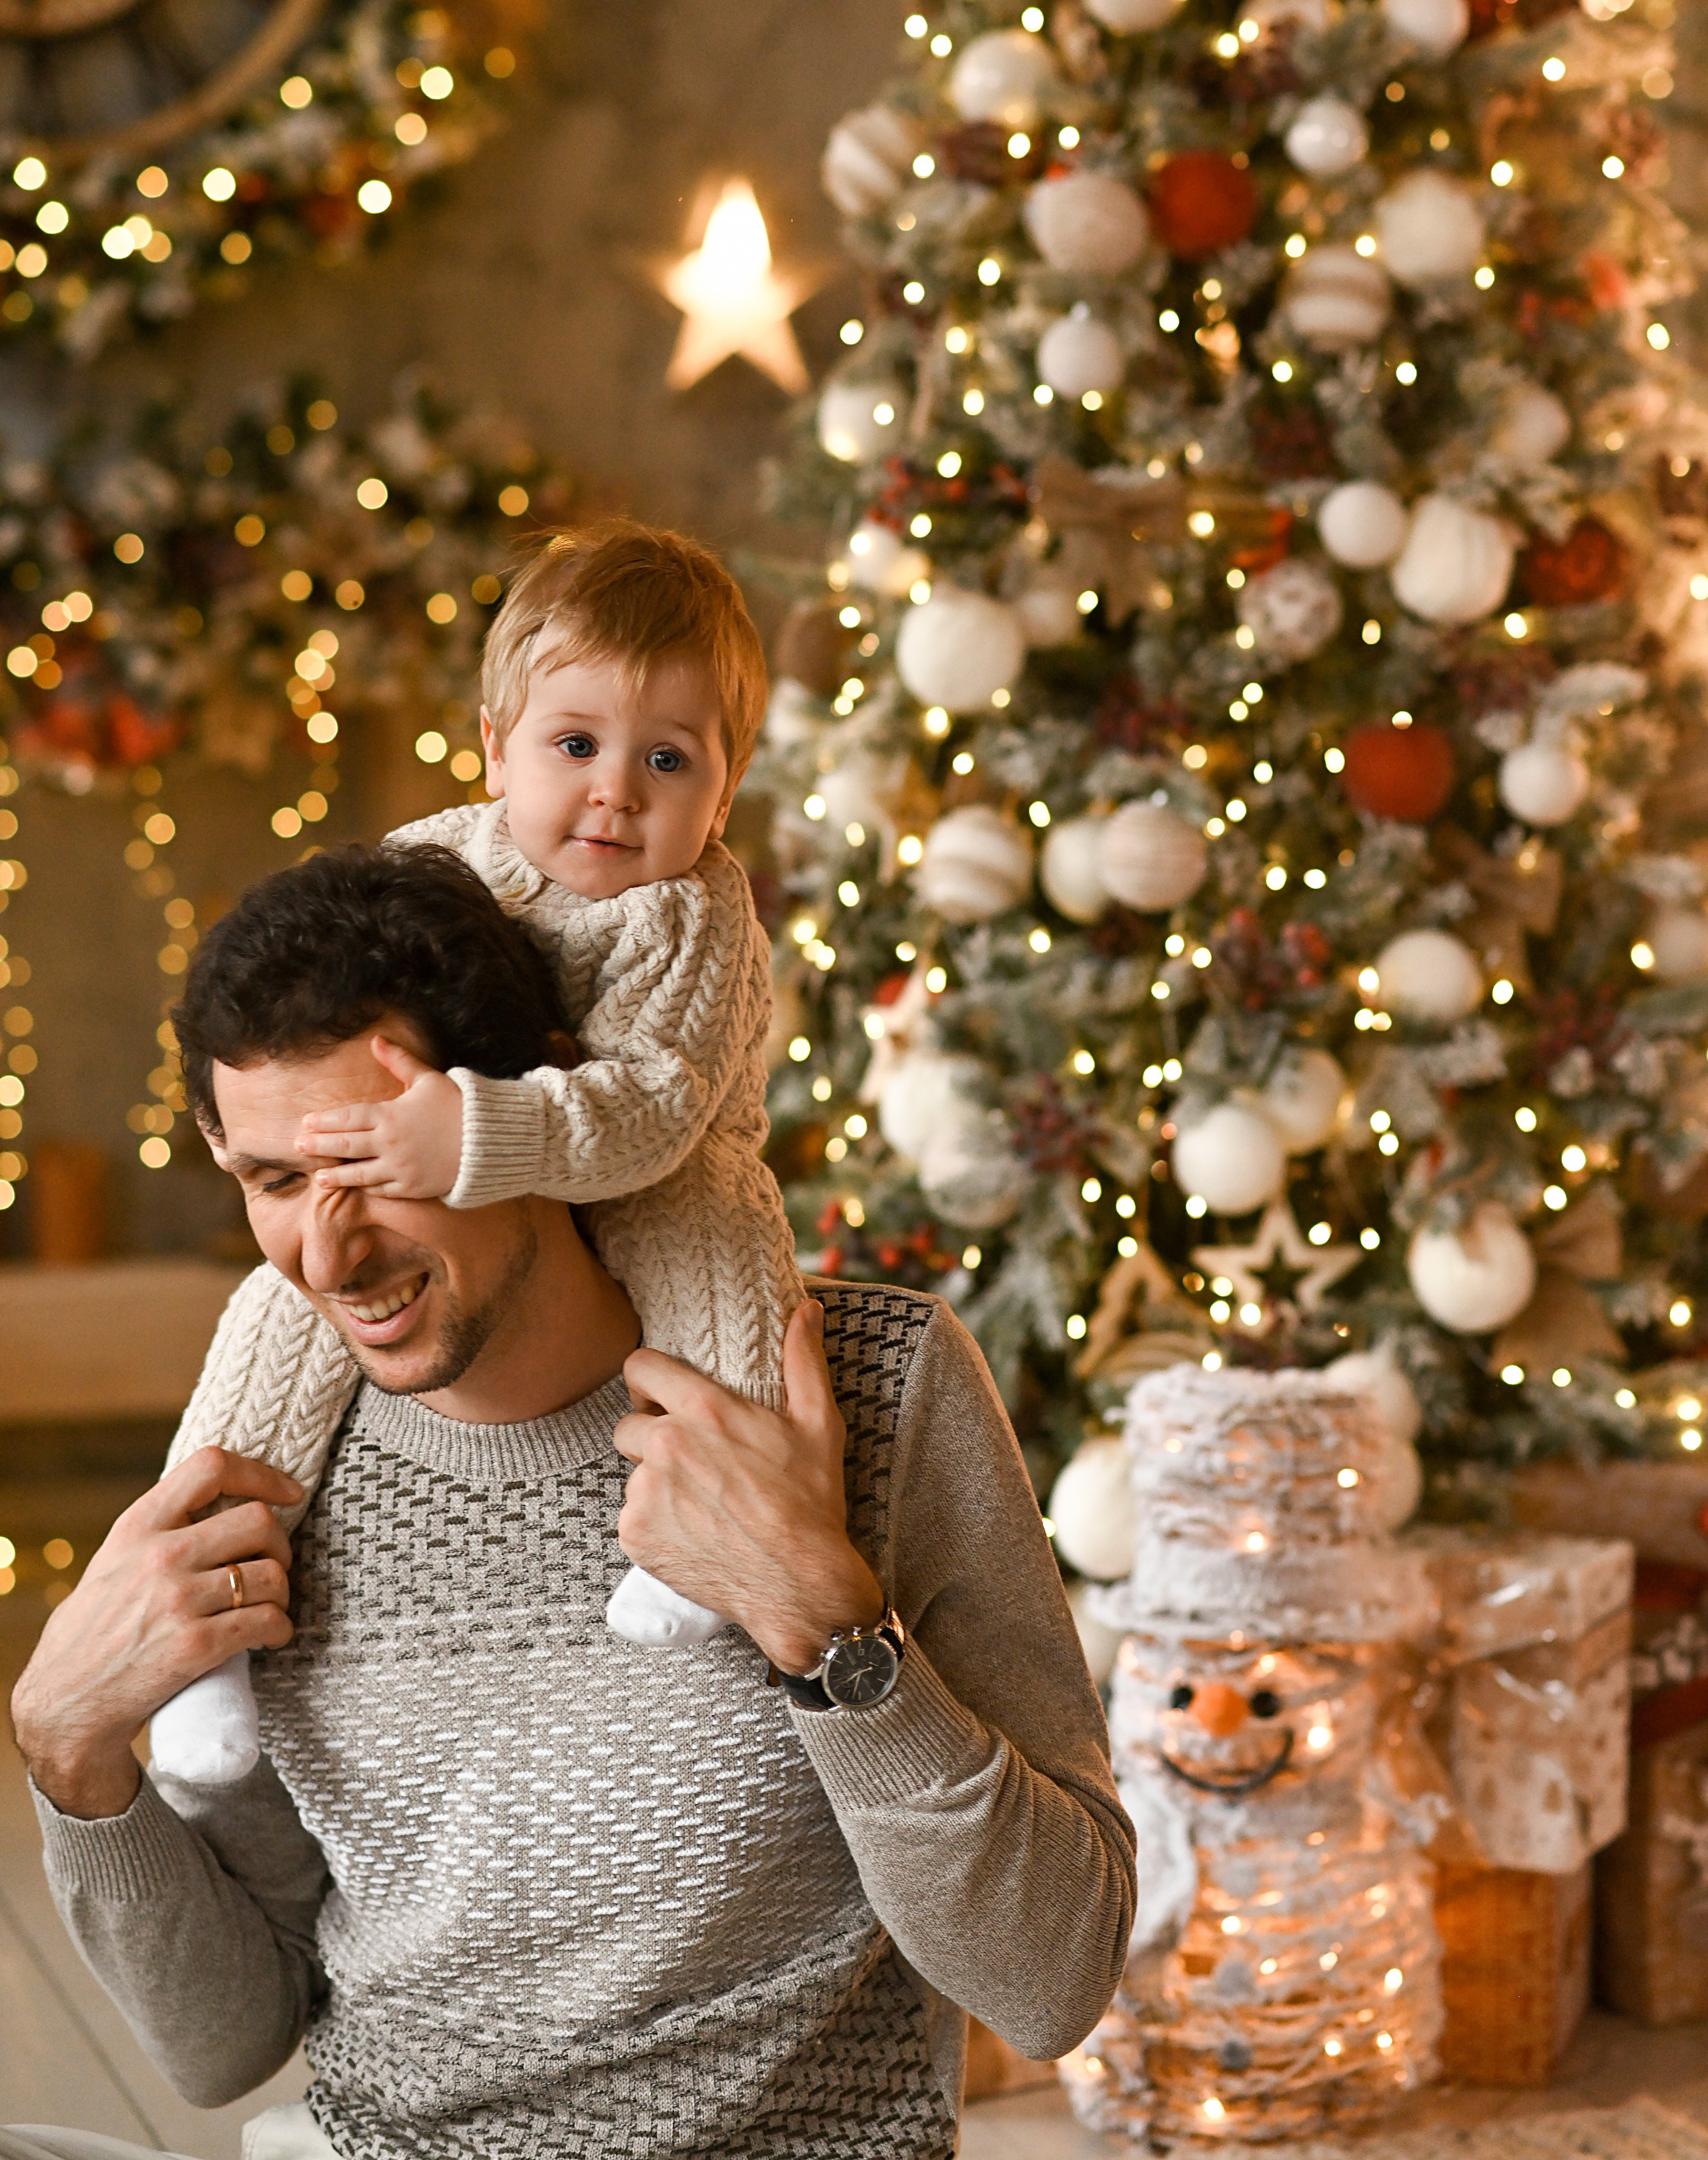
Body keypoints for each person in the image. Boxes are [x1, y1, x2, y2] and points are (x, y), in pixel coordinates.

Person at [10, 843, 1136, 2160]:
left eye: (373, 1162)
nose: (328, 1250)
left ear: (529, 1111)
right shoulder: (274, 1456)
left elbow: (1053, 1981)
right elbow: (226, 2039)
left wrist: (830, 1631)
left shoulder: (869, 1386)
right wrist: (68, 1750)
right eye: (272, 1181)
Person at [151, 520, 807, 1788]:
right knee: (278, 1316)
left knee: (729, 1260)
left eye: (667, 759)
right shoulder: (451, 854)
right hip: (473, 1148)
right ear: (499, 745)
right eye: (576, 745)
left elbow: (656, 1108)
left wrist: (471, 1134)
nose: (615, 790)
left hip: (657, 1159)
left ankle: (704, 1541)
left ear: (725, 791)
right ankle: (206, 1603)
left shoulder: (696, 916)